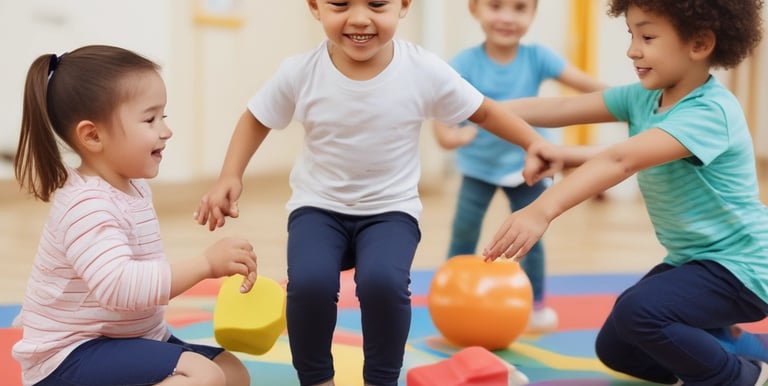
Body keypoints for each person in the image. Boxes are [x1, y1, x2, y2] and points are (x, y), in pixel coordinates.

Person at [194, 1, 555, 385]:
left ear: (403, 6)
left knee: (383, 283)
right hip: (318, 208)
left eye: (377, 4)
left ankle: (381, 380)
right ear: (315, 6)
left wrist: (532, 142)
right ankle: (316, 378)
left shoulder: (422, 70)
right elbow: (256, 117)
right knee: (310, 284)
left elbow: (483, 111)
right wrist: (229, 176)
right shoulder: (300, 72)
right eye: (340, 4)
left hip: (390, 211)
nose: (360, 18)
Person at [482, 0, 768, 384]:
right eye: (631, 34)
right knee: (616, 347)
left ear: (699, 44)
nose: (633, 49)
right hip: (694, 260)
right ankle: (734, 343)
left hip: (743, 267)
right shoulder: (643, 97)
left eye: (647, 37)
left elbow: (623, 160)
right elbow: (564, 106)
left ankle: (742, 376)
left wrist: (540, 211)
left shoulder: (710, 112)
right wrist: (476, 107)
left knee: (640, 313)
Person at [12, 45, 259, 386]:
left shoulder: (133, 187)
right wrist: (206, 263)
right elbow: (120, 287)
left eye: (164, 117)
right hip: (69, 358)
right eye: (150, 119)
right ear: (93, 135)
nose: (165, 130)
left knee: (232, 372)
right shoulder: (86, 204)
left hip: (129, 338)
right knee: (204, 376)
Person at [432, 0, 607, 332]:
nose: (507, 18)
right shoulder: (465, 63)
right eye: (496, 6)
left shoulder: (538, 57)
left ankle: (536, 304)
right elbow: (442, 110)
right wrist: (447, 138)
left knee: (531, 238)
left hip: (528, 167)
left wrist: (638, 97)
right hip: (478, 167)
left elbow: (587, 86)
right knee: (463, 233)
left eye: (520, 8)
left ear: (533, 14)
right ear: (475, 9)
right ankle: (451, 297)